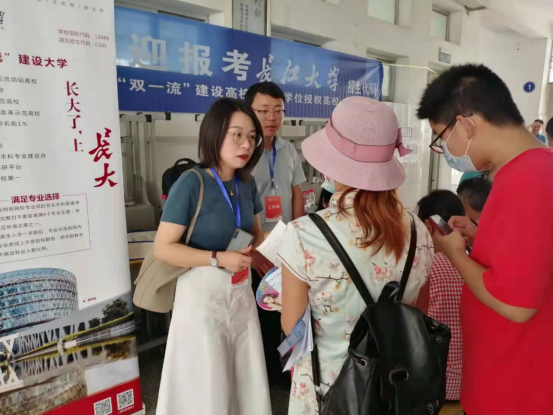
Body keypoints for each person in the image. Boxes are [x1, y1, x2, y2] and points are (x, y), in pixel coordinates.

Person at [278, 97, 434, 415]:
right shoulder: (420, 232)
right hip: (394, 390)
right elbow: (418, 314)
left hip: (327, 391)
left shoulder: (304, 234)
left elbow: (293, 327)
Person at [418, 64, 553, 414]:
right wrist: (478, 238)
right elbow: (528, 261)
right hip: (509, 374)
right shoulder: (527, 170)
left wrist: (455, 255)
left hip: (516, 388)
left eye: (441, 138)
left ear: (466, 124)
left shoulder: (528, 179)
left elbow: (516, 306)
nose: (445, 149)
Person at [154, 98, 271, 415]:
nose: (246, 144)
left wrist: (273, 244)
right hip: (201, 296)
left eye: (252, 137)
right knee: (206, 379)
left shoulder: (247, 182)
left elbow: (255, 232)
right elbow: (163, 248)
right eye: (237, 135)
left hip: (240, 291)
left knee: (243, 374)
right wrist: (218, 258)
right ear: (215, 133)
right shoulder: (191, 183)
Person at [245, 81, 306, 385]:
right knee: (261, 313)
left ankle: (283, 367)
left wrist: (301, 237)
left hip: (287, 245)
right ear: (249, 112)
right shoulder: (244, 153)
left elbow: (297, 194)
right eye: (264, 111)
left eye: (278, 111)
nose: (272, 117)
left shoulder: (289, 150)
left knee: (289, 307)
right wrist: (253, 252)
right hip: (256, 248)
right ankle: (264, 373)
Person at [416, 190, 466, 402]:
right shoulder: (474, 264)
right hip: (472, 384)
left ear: (428, 226)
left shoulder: (424, 267)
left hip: (437, 386)